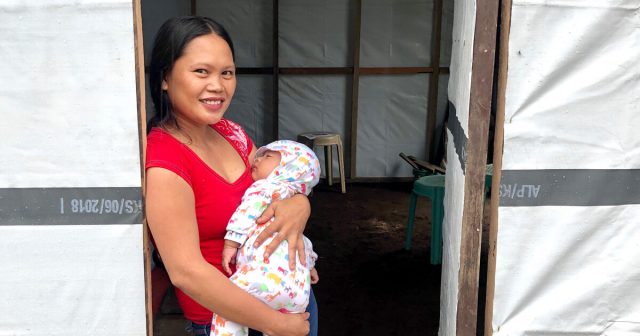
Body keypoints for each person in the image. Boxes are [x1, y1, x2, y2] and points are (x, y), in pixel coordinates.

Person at [144, 16, 317, 336]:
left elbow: (277, 185)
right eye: (201, 71)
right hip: (230, 322)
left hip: (290, 299)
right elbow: (186, 272)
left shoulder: (230, 133)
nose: (217, 85)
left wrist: (301, 204)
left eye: (227, 73)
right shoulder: (164, 160)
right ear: (165, 77)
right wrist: (277, 324)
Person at [213, 140, 321, 336]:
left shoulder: (263, 188)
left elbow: (247, 212)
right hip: (298, 290)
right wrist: (310, 266)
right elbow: (301, 240)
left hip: (260, 280)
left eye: (268, 157)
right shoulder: (290, 197)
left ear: (288, 169)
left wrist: (231, 243)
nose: (258, 159)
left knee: (227, 308)